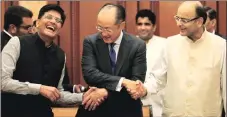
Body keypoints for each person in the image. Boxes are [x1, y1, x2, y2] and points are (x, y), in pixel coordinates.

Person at [135, 1, 226, 117]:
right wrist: (145, 89)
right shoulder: (170, 44)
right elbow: (157, 79)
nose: (178, 23)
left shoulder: (221, 46)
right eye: (177, 18)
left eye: (184, 20)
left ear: (199, 22)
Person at [1, 4, 87, 117]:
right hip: (12, 112)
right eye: (49, 17)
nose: (53, 22)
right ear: (37, 23)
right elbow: (2, 82)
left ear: (60, 28)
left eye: (58, 20)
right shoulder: (16, 43)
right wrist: (39, 89)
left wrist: (84, 97)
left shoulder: (61, 55)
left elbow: (58, 94)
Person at [76, 3, 147, 117]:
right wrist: (122, 81)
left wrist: (106, 92)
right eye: (100, 28)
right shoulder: (90, 42)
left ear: (121, 25)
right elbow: (90, 74)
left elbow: (135, 84)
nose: (103, 33)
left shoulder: (137, 45)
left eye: (108, 29)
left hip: (126, 110)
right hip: (95, 109)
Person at [135, 9, 166, 117]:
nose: (143, 27)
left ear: (154, 27)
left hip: (159, 104)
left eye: (147, 24)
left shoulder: (164, 45)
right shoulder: (128, 45)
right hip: (134, 103)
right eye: (139, 24)